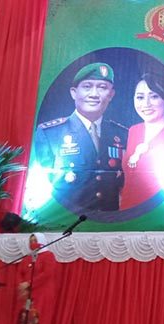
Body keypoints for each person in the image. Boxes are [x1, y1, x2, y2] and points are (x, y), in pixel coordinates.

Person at [34, 62, 128, 212]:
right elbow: (41, 184)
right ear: (73, 92)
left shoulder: (122, 134)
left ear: (111, 95)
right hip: (66, 219)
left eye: (102, 87)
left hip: (111, 220)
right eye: (87, 86)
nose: (94, 94)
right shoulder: (50, 133)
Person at [120, 72, 164, 209]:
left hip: (158, 214)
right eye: (140, 97)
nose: (146, 104)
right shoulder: (133, 130)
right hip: (127, 213)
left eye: (154, 96)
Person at [11, 233, 58, 324]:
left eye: (35, 240)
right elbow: (20, 272)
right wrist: (21, 285)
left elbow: (47, 274)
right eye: (31, 241)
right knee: (25, 321)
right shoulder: (28, 258)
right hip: (28, 293)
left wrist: (29, 283)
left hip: (43, 293)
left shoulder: (48, 256)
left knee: (35, 321)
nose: (33, 243)